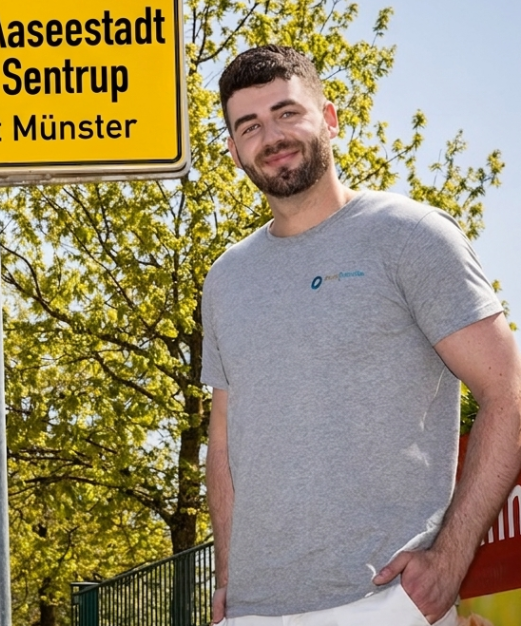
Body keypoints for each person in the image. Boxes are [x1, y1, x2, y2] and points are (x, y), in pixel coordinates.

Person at [201, 46, 521, 625]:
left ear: (329, 118)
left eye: (287, 113)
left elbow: (509, 392)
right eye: (250, 126)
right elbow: (222, 443)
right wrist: (227, 578)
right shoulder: (226, 279)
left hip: (384, 603)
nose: (271, 136)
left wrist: (450, 559)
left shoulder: (412, 236)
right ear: (234, 150)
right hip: (250, 612)